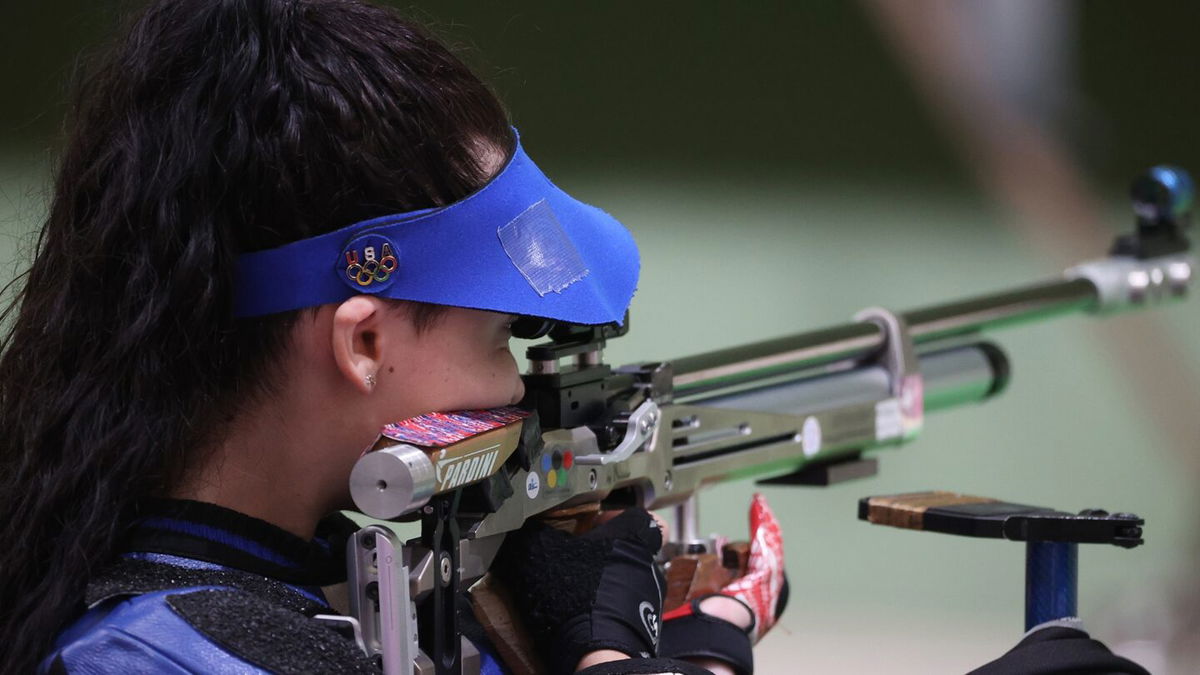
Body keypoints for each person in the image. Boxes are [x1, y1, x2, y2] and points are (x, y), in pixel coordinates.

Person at [0, 1, 781, 673]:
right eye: (500, 335)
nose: (516, 387)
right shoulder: (146, 655)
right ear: (364, 344)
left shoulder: (332, 581)